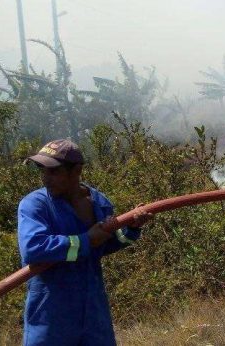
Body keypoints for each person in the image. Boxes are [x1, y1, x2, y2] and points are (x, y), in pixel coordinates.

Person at [18, 139, 152, 346]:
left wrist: (131, 228)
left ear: (76, 171)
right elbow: (34, 250)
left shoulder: (100, 203)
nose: (45, 178)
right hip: (51, 315)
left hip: (94, 314)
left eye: (53, 171)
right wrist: (86, 240)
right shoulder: (35, 205)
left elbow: (106, 244)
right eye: (42, 170)